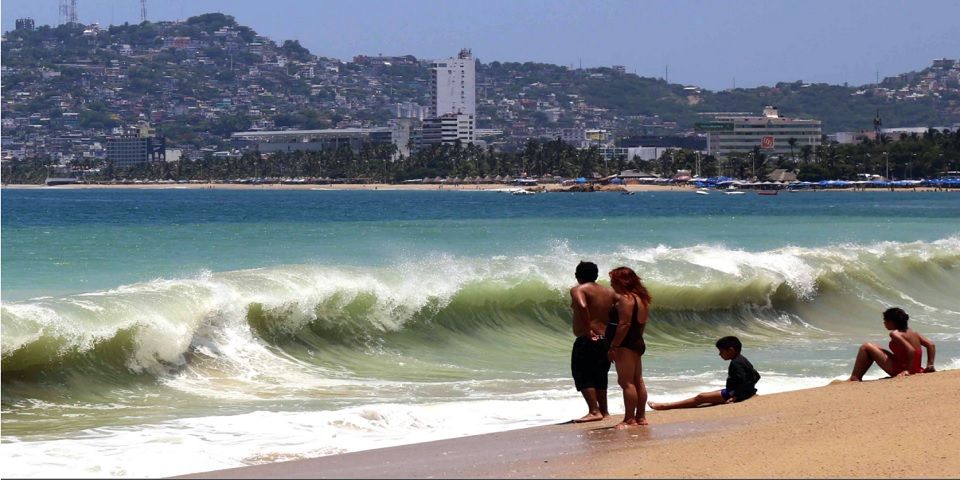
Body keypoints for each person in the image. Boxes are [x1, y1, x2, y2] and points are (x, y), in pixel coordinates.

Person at [648, 336, 760, 411]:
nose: (719, 354)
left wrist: (736, 396)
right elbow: (756, 376)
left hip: (735, 394)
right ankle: (666, 405)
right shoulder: (742, 359)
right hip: (740, 392)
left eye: (721, 351)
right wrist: (748, 391)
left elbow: (744, 380)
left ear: (730, 350)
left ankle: (665, 406)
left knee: (700, 397)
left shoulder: (736, 363)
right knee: (707, 398)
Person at [569, 261, 618, 422]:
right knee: (600, 375)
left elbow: (582, 306)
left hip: (587, 339)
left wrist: (588, 329)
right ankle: (604, 411)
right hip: (605, 339)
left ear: (577, 276)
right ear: (596, 275)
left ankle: (594, 411)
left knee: (582, 373)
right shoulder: (609, 292)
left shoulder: (578, 289)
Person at [605, 266, 652, 428]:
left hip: (624, 343)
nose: (611, 284)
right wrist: (637, 339)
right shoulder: (641, 299)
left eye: (613, 281)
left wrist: (614, 346)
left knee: (626, 382)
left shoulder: (625, 299)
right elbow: (641, 324)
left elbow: (624, 324)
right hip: (637, 341)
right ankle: (641, 417)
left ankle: (629, 419)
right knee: (637, 380)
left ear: (622, 281)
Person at [847, 307, 936, 381]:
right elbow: (931, 345)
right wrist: (930, 364)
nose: (884, 323)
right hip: (916, 369)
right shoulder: (914, 333)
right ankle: (856, 377)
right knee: (874, 347)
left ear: (892, 322)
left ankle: (855, 378)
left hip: (902, 369)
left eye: (885, 320)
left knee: (865, 347)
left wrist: (906, 371)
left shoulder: (895, 334)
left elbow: (911, 350)